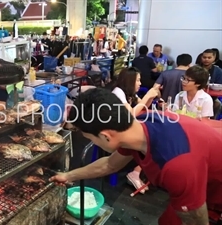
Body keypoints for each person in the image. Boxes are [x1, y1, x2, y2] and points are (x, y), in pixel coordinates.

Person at [51, 88, 222, 225]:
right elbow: (110, 165)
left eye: (90, 138)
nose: (93, 143)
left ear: (105, 136)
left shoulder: (176, 166)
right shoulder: (137, 124)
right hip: (198, 176)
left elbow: (197, 221)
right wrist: (68, 175)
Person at [112, 67, 159, 193]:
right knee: (150, 139)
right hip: (114, 131)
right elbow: (131, 113)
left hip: (125, 126)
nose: (140, 83)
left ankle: (137, 171)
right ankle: (137, 172)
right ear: (129, 80)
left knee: (153, 135)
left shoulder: (129, 93)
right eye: (138, 80)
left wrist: (150, 97)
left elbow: (143, 107)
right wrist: (148, 95)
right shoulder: (118, 93)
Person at [199, 49, 222, 117]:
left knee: (218, 104)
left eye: (209, 58)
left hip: (212, 97)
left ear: (214, 58)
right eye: (204, 57)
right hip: (196, 94)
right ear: (201, 57)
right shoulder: (196, 69)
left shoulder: (218, 71)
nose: (206, 59)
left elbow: (219, 85)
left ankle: (212, 120)